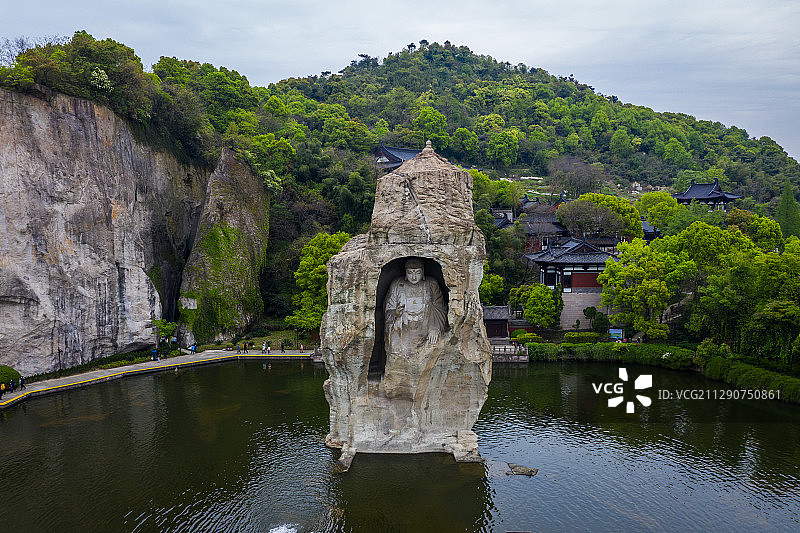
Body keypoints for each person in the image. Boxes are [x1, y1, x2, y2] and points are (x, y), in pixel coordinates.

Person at [384, 258, 447, 357]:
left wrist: (435, 328)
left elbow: (440, 309)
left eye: (418, 273)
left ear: (423, 272)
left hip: (425, 327)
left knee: (434, 346)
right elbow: (388, 309)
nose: (414, 277)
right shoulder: (397, 284)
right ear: (405, 273)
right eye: (410, 273)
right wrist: (395, 313)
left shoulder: (431, 284)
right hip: (403, 328)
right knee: (395, 348)